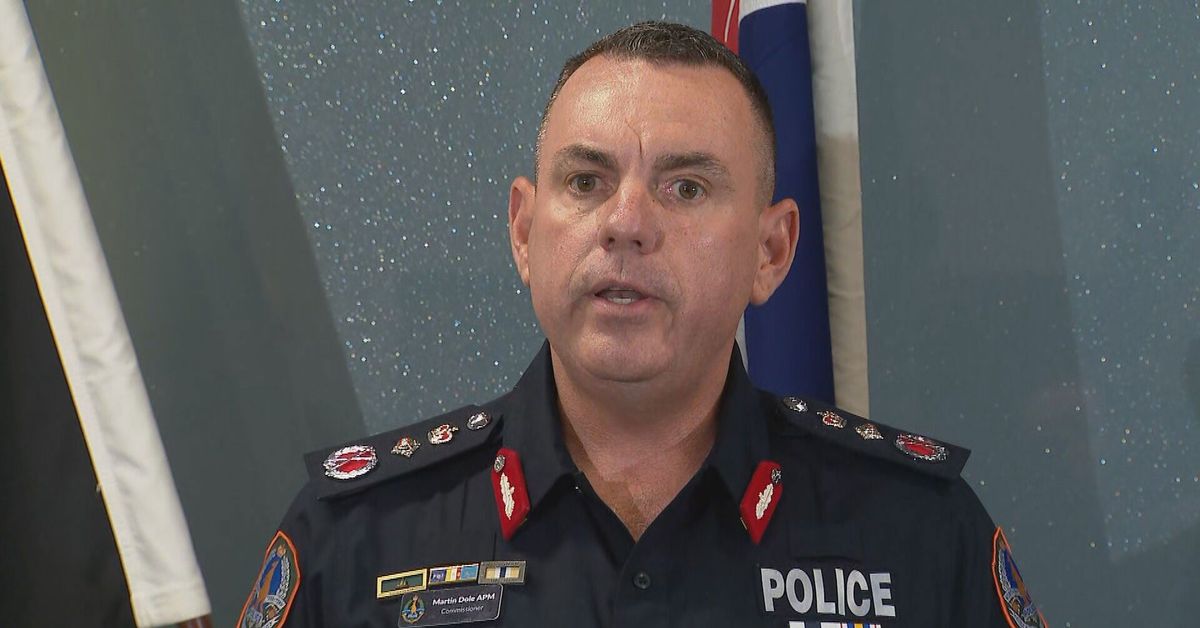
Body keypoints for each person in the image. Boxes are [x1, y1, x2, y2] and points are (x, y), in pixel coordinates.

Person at [238, 21, 1046, 628]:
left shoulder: (921, 534)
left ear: (771, 251)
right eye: (586, 181)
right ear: (524, 231)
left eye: (686, 188)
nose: (626, 223)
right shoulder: (358, 538)